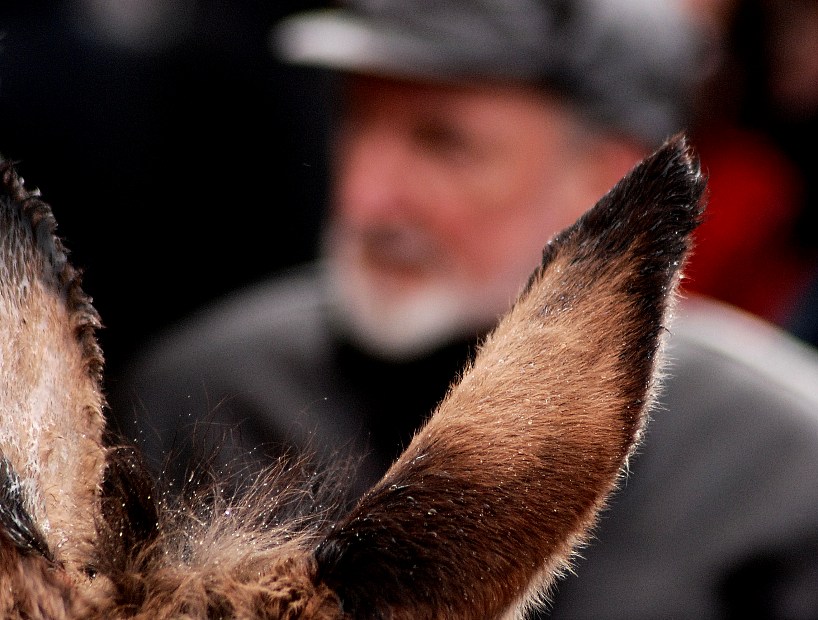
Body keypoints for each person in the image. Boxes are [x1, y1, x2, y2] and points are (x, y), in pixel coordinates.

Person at [109, 0, 818, 617]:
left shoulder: (773, 466)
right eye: (357, 123)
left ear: (606, 180)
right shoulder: (205, 395)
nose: (365, 197)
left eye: (443, 144)